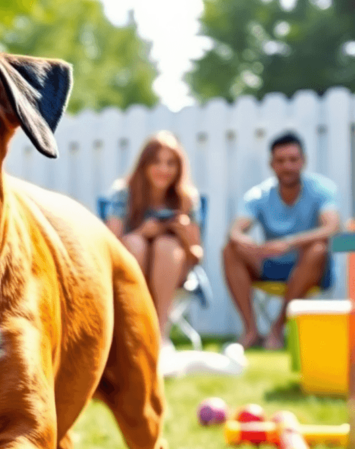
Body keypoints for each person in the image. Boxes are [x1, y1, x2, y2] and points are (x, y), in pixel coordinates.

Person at [223, 131, 340, 350]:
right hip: (272, 266)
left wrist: (289, 243)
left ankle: (277, 330)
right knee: (231, 250)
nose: (287, 166)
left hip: (313, 269)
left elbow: (332, 227)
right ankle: (251, 331)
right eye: (281, 160)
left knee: (317, 249)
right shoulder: (259, 194)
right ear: (272, 164)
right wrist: (246, 242)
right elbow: (235, 231)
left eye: (293, 160)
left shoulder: (322, 189)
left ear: (303, 161)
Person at [105, 131, 203, 347]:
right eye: (157, 162)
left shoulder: (187, 198)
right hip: (132, 264)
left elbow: (196, 256)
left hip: (173, 270)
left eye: (171, 163)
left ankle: (159, 335)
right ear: (144, 164)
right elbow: (108, 248)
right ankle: (130, 329)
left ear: (179, 168)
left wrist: (185, 235)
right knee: (135, 243)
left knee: (166, 245)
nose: (164, 170)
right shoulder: (123, 193)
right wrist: (141, 232)